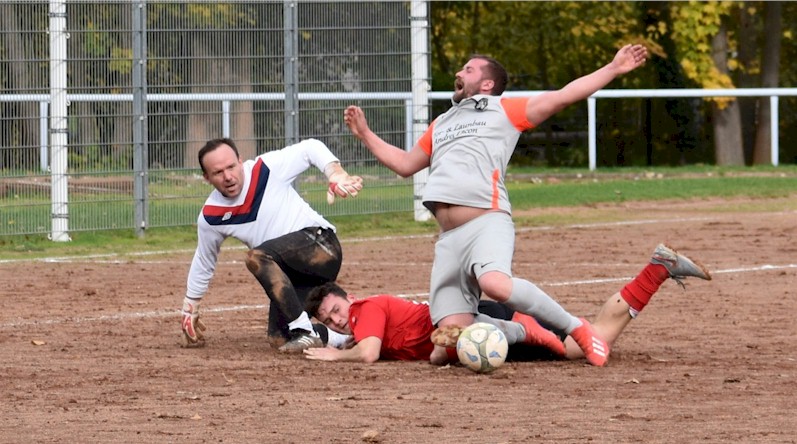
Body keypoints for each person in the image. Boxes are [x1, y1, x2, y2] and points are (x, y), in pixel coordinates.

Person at [343, 44, 649, 366]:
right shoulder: (443, 122)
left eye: (468, 70)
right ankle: (523, 330)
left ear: (487, 84)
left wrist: (613, 68)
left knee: (495, 284)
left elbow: (564, 95)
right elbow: (405, 164)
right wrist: (365, 134)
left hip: (486, 222)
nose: (459, 73)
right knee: (445, 344)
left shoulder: (504, 110)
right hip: (449, 240)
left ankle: (578, 328)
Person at [302, 244, 711, 365]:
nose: (338, 322)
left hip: (484, 324)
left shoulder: (364, 310)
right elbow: (355, 342)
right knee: (586, 334)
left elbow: (369, 353)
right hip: (475, 327)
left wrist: (332, 358)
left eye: (336, 310)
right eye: (330, 322)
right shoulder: (355, 326)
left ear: (348, 298)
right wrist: (329, 343)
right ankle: (656, 271)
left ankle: (656, 271)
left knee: (577, 347)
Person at [180, 137, 363, 353]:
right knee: (280, 339)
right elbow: (204, 260)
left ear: (240, 160)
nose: (228, 176)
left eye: (231, 167)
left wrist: (335, 172)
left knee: (257, 257)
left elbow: (310, 148)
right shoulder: (211, 217)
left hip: (322, 247)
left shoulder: (264, 169)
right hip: (289, 276)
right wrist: (190, 307)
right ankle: (349, 338)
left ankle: (304, 330)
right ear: (206, 178)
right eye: (218, 172)